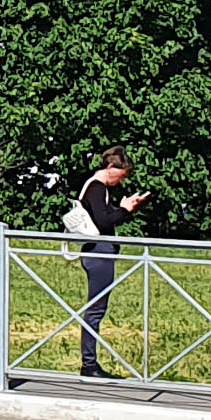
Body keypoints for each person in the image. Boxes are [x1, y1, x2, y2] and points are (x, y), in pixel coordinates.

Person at [67, 146, 150, 378]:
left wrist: (122, 208)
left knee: (96, 309)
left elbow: (102, 216)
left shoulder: (95, 188)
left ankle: (90, 363)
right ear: (111, 167)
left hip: (98, 252)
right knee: (95, 310)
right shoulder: (97, 187)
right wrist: (125, 210)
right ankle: (89, 364)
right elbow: (103, 221)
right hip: (98, 253)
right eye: (121, 176)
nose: (120, 181)